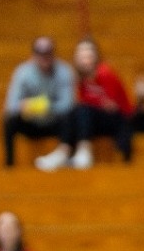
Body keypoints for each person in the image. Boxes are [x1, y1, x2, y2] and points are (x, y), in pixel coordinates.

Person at [38, 37, 135, 171]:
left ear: (95, 56)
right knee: (70, 112)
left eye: (88, 53)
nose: (85, 58)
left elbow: (110, 105)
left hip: (119, 118)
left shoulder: (105, 73)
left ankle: (84, 150)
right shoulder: (81, 79)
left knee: (83, 110)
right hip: (95, 118)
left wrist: (89, 102)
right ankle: (63, 151)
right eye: (81, 54)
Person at [3, 36, 76, 168]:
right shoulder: (22, 72)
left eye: (48, 53)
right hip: (31, 123)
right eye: (40, 54)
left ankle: (66, 157)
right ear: (33, 55)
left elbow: (68, 104)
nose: (44, 58)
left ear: (53, 54)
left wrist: (42, 105)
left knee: (73, 115)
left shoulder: (64, 71)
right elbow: (11, 106)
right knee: (9, 120)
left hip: (54, 122)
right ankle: (9, 164)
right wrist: (23, 107)